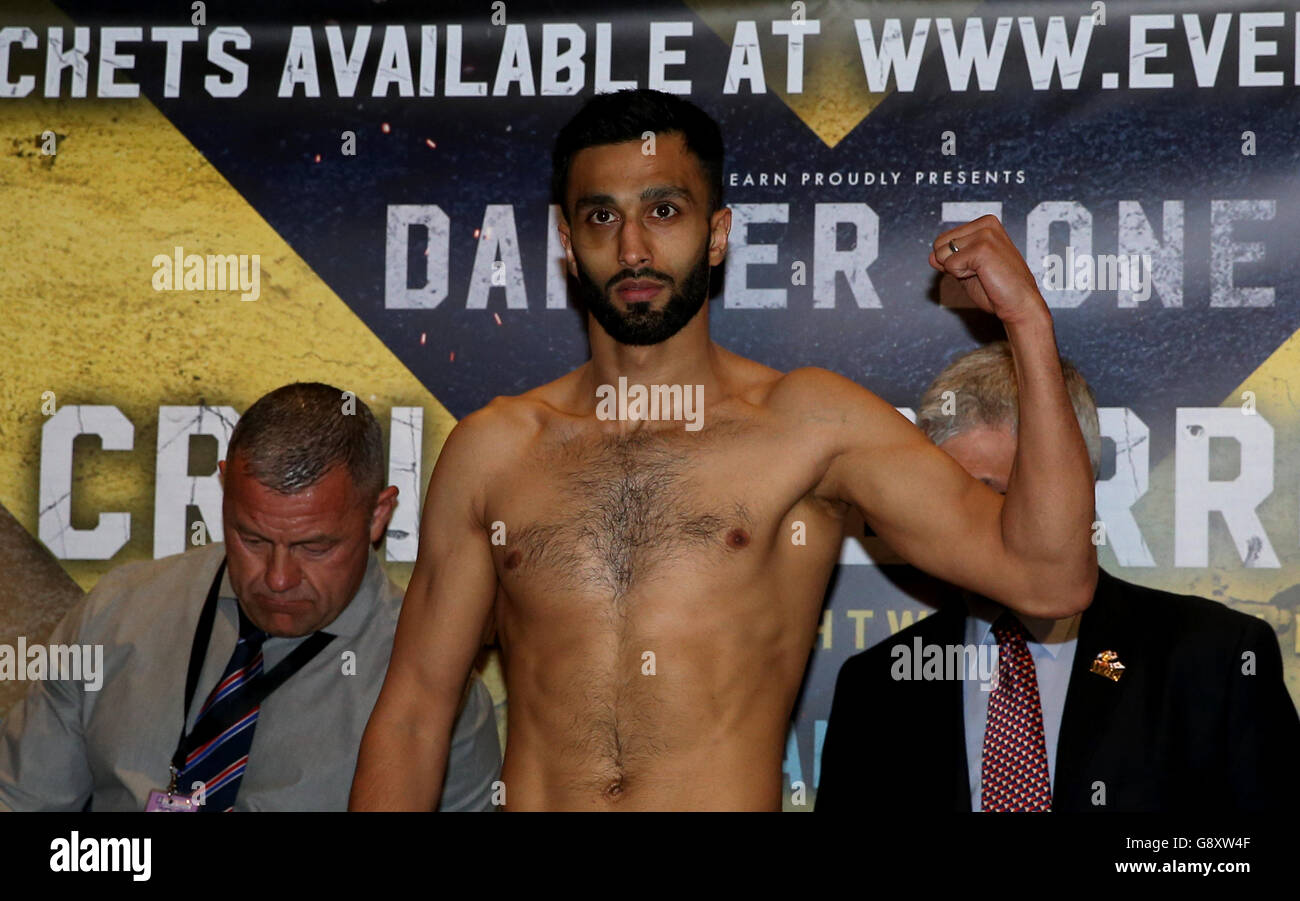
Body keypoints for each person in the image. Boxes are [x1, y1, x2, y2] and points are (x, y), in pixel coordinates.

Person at [350, 89, 1098, 811]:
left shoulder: (808, 425)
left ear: (717, 233)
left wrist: (1027, 323)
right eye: (601, 215)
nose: (633, 247)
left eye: (664, 210)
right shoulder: (494, 450)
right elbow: (414, 712)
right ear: (568, 244)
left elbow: (1050, 579)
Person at [816, 343, 1300, 812]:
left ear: (1078, 491)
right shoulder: (876, 690)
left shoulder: (1213, 661)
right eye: (957, 498)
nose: (986, 521)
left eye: (1009, 495)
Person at [0, 382, 500, 811]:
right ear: (223, 486)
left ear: (377, 514)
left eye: (314, 546)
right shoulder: (117, 613)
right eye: (253, 539)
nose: (278, 578)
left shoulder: (432, 681)